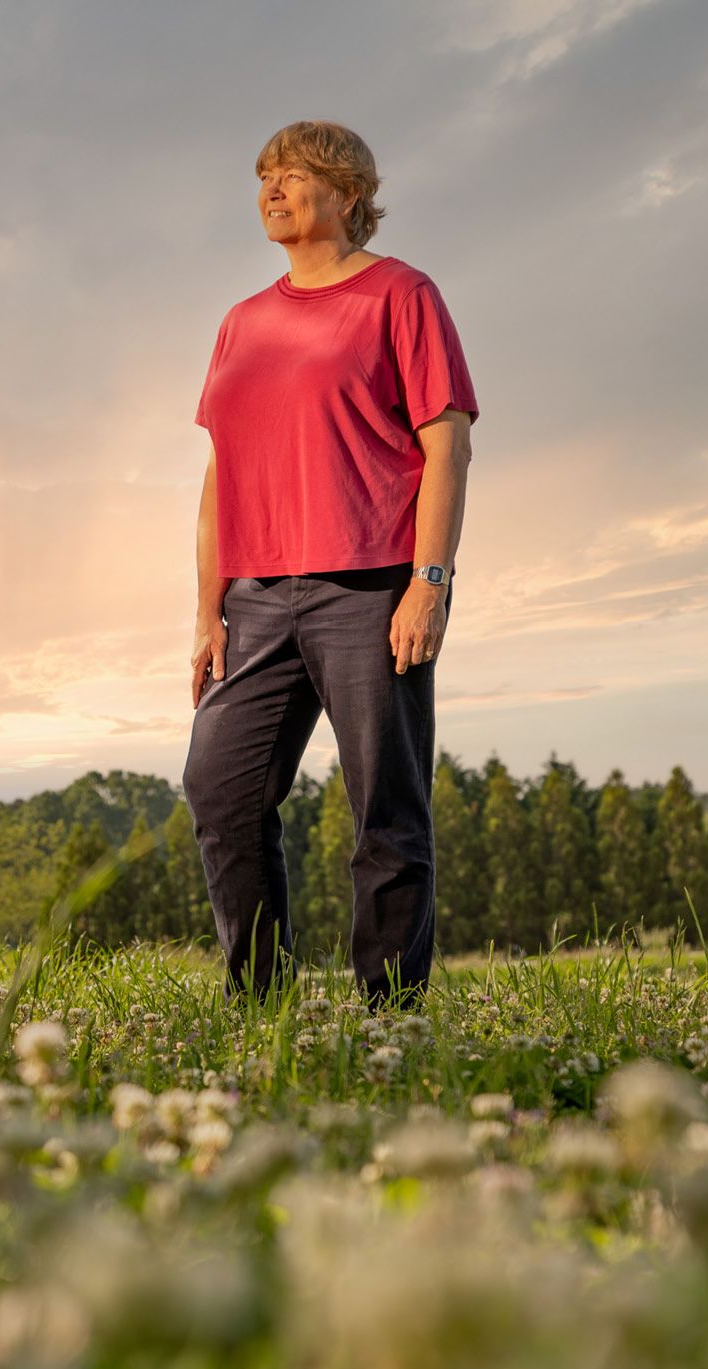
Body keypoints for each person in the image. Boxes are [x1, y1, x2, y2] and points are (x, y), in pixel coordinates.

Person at [184, 120, 478, 1009]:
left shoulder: (401, 295)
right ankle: (261, 1000)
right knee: (220, 791)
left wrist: (429, 584)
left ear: (349, 194)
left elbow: (447, 448)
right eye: (264, 176)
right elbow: (219, 478)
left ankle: (390, 1013)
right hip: (258, 598)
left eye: (294, 174)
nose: (272, 189)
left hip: (369, 586)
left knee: (384, 809)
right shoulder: (243, 321)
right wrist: (207, 612)